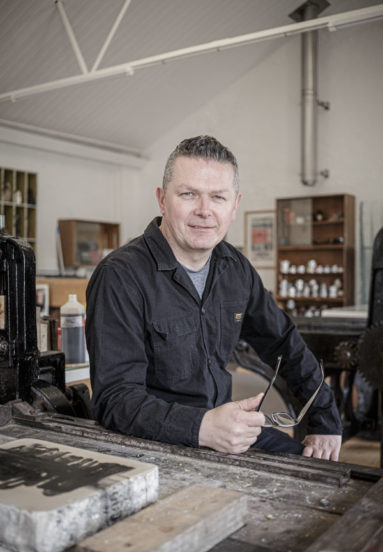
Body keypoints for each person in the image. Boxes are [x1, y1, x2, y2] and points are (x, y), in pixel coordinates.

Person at [86, 135, 342, 460]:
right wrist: (202, 426)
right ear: (162, 199)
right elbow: (115, 400)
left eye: (218, 197)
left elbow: (285, 344)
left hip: (225, 436)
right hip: (152, 446)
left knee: (318, 475)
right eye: (189, 194)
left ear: (234, 206)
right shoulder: (121, 276)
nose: (205, 211)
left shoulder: (235, 269)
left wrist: (325, 419)